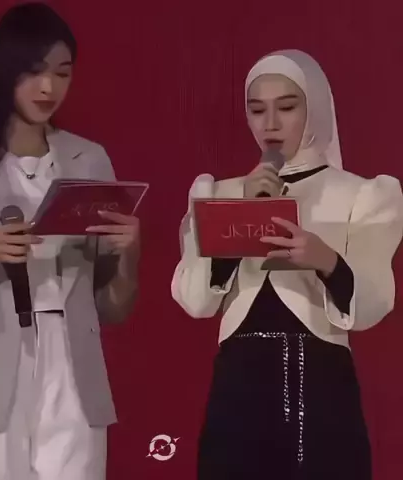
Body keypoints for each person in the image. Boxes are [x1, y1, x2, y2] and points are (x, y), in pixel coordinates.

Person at [0, 3, 140, 479]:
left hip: (73, 379)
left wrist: (128, 254)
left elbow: (113, 308)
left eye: (62, 73)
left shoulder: (89, 160)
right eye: (34, 71)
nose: (48, 88)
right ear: (4, 70)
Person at [171, 49, 403, 479]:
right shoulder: (217, 194)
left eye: (288, 107)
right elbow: (195, 300)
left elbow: (374, 303)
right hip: (238, 382)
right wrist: (238, 216)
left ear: (314, 109)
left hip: (322, 382)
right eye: (257, 110)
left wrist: (325, 260)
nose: (271, 124)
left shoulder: (362, 194)